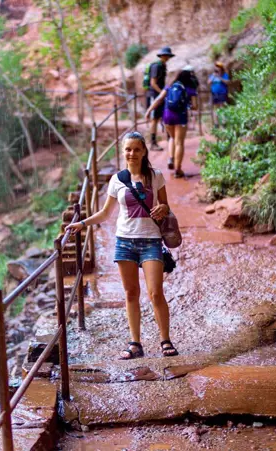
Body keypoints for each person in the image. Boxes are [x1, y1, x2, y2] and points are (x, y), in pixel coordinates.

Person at [65, 131, 179, 360]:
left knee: (156, 292)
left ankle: (165, 340)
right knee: (130, 293)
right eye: (128, 149)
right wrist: (82, 223)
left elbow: (165, 204)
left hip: (151, 240)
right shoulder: (117, 180)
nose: (132, 153)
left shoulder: (156, 176)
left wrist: (164, 209)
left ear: (144, 151)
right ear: (123, 151)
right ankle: (135, 343)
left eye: (137, 149)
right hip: (125, 241)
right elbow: (106, 212)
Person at [145, 68, 199, 178]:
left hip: (167, 116)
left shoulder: (170, 86)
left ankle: (171, 158)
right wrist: (187, 105)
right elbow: (195, 106)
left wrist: (149, 110)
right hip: (181, 116)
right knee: (179, 143)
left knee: (172, 138)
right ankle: (178, 170)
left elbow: (159, 99)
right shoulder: (190, 89)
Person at [145, 47, 175, 152]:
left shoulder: (163, 66)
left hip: (159, 94)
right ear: (162, 55)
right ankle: (153, 143)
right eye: (166, 55)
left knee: (162, 116)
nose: (167, 57)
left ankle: (169, 139)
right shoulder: (157, 66)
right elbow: (153, 83)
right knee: (155, 119)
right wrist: (162, 93)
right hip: (154, 95)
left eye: (168, 56)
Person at [207, 62, 230, 128]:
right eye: (216, 66)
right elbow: (208, 82)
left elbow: (227, 82)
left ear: (221, 68)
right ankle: (216, 123)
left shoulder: (224, 75)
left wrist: (220, 77)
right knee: (216, 109)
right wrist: (214, 76)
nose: (217, 68)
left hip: (222, 93)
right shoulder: (213, 75)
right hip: (214, 94)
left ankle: (223, 123)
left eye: (218, 66)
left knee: (222, 108)